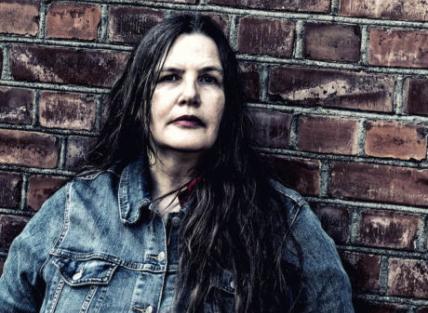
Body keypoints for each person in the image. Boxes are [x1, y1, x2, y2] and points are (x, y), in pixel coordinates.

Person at [0, 14, 354, 313]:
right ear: (141, 98)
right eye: (170, 77)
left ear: (227, 104)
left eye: (208, 79)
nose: (190, 94)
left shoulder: (282, 223)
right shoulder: (74, 210)